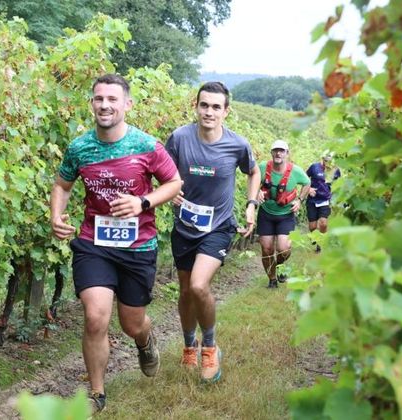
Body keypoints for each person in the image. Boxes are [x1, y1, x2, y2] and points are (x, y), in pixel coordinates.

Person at [50, 74, 182, 413]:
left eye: (112, 99)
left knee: (131, 322)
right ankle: (96, 393)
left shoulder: (147, 146)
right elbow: (63, 185)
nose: (104, 105)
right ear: (92, 103)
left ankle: (144, 339)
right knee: (95, 317)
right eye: (98, 99)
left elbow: (174, 182)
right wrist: (56, 215)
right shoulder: (80, 147)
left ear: (127, 104)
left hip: (137, 246)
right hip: (94, 242)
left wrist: (143, 203)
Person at [165, 81, 260, 383]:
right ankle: (188, 344)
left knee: (198, 286)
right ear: (196, 106)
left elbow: (254, 172)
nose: (209, 112)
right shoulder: (179, 138)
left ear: (226, 111)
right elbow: (163, 172)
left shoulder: (237, 145)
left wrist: (250, 204)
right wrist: (169, 191)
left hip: (218, 227)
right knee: (184, 292)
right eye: (204, 105)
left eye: (216, 107)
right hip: (184, 226)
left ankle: (209, 346)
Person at [256, 140, 310, 288]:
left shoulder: (296, 171)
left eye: (282, 151)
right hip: (266, 213)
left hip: (286, 214)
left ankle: (280, 266)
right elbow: (252, 179)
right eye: (275, 150)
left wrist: (300, 200)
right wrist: (257, 191)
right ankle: (272, 279)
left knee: (283, 249)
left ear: (287, 153)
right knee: (266, 249)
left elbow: (307, 183)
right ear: (271, 153)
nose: (278, 153)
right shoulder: (262, 167)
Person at [306, 150, 341, 252]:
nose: (328, 163)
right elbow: (304, 178)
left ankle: (320, 243)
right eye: (326, 160)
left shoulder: (335, 170)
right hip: (312, 200)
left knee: (323, 223)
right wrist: (308, 189)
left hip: (325, 199)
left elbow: (338, 185)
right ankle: (314, 236)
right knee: (312, 226)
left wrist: (336, 199)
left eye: (330, 161)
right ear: (322, 159)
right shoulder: (314, 167)